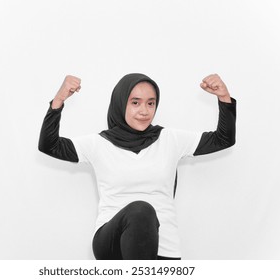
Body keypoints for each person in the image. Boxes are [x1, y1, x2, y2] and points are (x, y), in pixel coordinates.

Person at [38, 73, 236, 260]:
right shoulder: (98, 144)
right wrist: (59, 100)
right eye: (135, 103)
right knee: (141, 210)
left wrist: (224, 97)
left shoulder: (170, 139)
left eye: (151, 103)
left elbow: (223, 139)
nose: (144, 111)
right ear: (120, 103)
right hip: (111, 243)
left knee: (143, 212)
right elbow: (49, 145)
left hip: (164, 249)